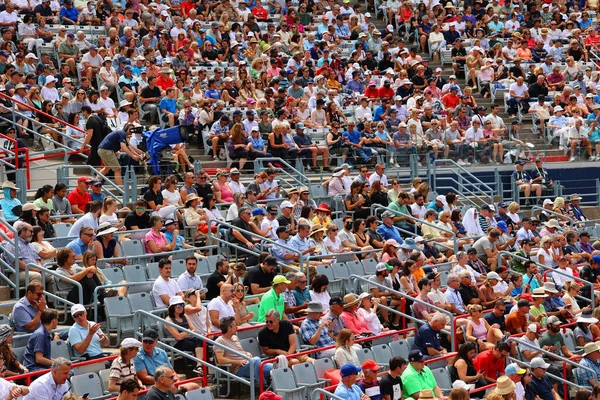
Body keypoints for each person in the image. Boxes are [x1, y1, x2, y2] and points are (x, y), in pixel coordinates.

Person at [214, 316, 273, 387]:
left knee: (275, 367)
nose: (237, 328)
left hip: (248, 363)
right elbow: (220, 360)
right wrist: (237, 362)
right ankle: (263, 386)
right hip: (238, 369)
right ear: (229, 328)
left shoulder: (235, 337)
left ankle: (274, 388)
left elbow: (240, 351)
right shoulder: (220, 341)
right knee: (256, 360)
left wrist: (246, 353)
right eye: (235, 326)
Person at [134, 328, 199, 392]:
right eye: (145, 341)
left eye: (150, 342)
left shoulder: (162, 352)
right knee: (172, 389)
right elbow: (144, 378)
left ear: (156, 341)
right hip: (153, 385)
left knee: (195, 386)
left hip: (167, 381)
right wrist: (165, 380)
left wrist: (177, 382)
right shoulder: (137, 355)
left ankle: (180, 392)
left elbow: (172, 371)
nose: (147, 344)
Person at [164, 295, 204, 375]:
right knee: (199, 344)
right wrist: (188, 332)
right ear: (172, 308)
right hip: (177, 343)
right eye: (178, 305)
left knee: (202, 342)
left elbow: (193, 329)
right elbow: (178, 337)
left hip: (188, 339)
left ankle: (199, 367)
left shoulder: (185, 316)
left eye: (182, 305)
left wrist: (184, 333)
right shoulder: (169, 320)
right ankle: (199, 368)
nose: (181, 307)